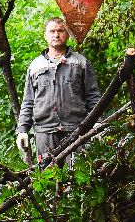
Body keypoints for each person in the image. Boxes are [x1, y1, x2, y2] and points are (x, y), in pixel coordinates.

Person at [15, 17, 101, 162]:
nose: (56, 35)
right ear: (45, 35)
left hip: (76, 129)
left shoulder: (80, 62)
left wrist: (97, 122)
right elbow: (28, 101)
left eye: (60, 31)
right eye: (52, 31)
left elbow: (93, 95)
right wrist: (22, 130)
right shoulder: (35, 66)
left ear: (67, 34)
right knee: (48, 178)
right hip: (44, 132)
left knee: (77, 178)